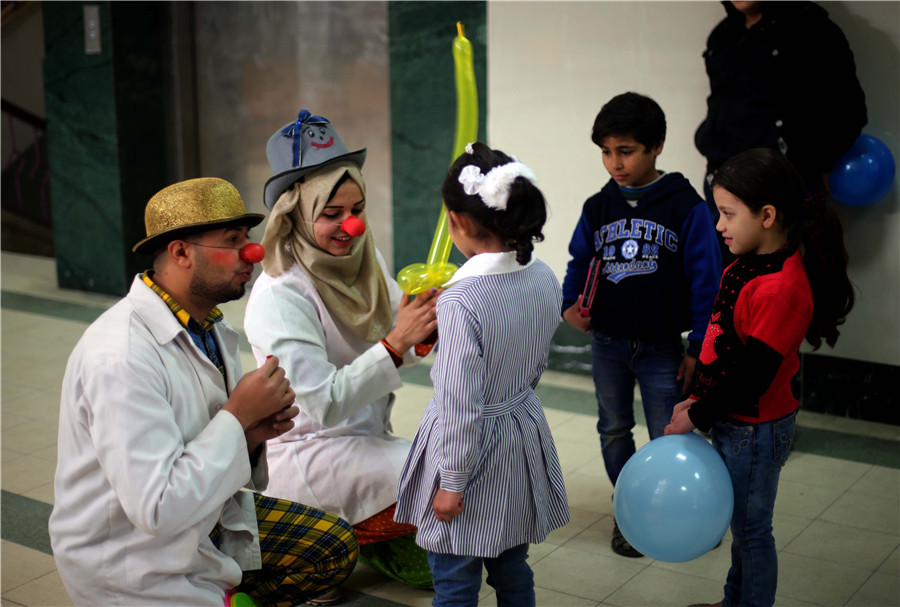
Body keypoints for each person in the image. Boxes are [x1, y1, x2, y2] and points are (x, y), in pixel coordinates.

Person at [48, 177, 358, 607]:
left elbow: (208, 456)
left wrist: (251, 435)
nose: (253, 253)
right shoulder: (120, 356)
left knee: (333, 548)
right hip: (133, 559)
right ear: (180, 252)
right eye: (233, 241)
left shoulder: (210, 326)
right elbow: (156, 510)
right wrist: (236, 416)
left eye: (247, 238)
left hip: (203, 519)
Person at [243, 110, 439, 601]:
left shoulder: (362, 259)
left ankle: (363, 543)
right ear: (295, 215)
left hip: (364, 440)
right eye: (331, 213)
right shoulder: (279, 294)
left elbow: (401, 332)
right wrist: (396, 345)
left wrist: (425, 328)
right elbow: (323, 403)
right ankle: (323, 540)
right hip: (310, 451)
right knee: (446, 474)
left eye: (358, 207)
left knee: (459, 475)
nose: (350, 224)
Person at [665, 148, 855, 607]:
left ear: (767, 215)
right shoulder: (749, 259)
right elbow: (725, 345)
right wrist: (700, 398)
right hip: (735, 418)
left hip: (755, 427)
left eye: (728, 214)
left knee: (751, 531)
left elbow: (751, 377)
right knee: (741, 525)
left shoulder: (781, 289)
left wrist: (701, 413)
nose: (719, 225)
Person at [395, 142, 570, 606]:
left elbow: (459, 403)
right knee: (512, 566)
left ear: (458, 222)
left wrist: (451, 481)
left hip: (469, 456)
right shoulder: (544, 277)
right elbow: (531, 365)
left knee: (454, 578)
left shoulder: (460, 300)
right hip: (519, 436)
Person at [560, 92, 722, 558]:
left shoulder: (685, 206)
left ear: (656, 146)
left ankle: (679, 511)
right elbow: (580, 261)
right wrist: (570, 306)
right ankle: (630, 510)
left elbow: (706, 283)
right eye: (607, 151)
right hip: (608, 343)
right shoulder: (598, 206)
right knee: (612, 429)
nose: (615, 162)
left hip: (663, 349)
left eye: (626, 150)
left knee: (667, 432)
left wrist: (697, 349)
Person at [695, 1, 867, 264]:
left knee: (784, 288)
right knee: (729, 286)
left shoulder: (812, 28)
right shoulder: (724, 33)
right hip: (722, 182)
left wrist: (818, 163)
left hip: (781, 187)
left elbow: (849, 110)